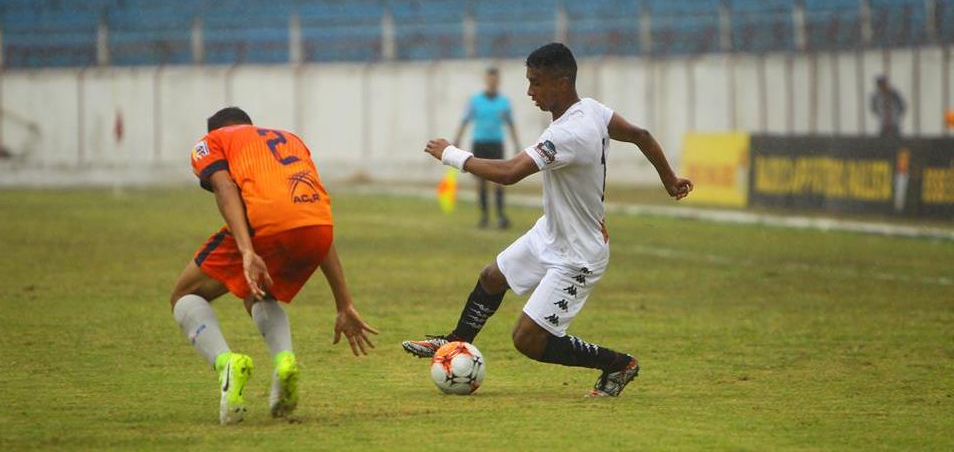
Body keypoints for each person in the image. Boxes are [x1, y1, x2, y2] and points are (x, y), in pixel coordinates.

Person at [402, 43, 693, 397]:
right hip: (552, 233)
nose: (529, 92)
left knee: (528, 339)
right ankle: (454, 344)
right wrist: (670, 180)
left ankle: (618, 364)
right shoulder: (592, 110)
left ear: (562, 81)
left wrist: (451, 154)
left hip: (578, 254)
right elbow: (641, 136)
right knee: (492, 277)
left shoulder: (567, 134)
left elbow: (510, 173)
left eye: (536, 83)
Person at [169, 107, 378, 425]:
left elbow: (225, 188)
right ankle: (284, 361)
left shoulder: (210, 141)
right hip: (318, 225)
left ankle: (227, 364)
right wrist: (343, 302)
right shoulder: (292, 139)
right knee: (259, 293)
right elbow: (315, 221)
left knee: (184, 295)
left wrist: (247, 251)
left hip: (266, 224)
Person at [453, 67, 521, 229]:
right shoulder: (475, 101)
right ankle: (484, 217)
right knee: (481, 182)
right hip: (480, 143)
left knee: (499, 181)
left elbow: (511, 124)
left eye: (495, 79)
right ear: (486, 80)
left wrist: (516, 143)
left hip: (496, 143)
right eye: (490, 79)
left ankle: (501, 216)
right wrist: (457, 140)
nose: (492, 82)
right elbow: (465, 120)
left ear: (498, 81)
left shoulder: (504, 102)